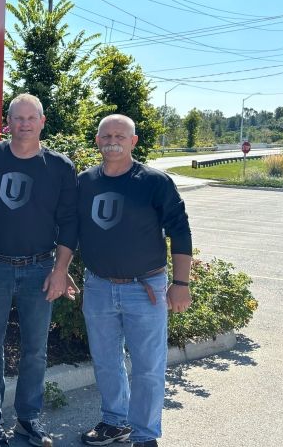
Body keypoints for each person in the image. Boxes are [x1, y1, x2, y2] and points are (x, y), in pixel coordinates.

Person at [0, 93, 78, 447]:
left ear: (42, 122)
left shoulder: (59, 166)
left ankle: (27, 419)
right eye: (17, 118)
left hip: (40, 269)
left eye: (31, 118)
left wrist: (60, 269)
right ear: (6, 122)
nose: (24, 125)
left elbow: (70, 223)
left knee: (35, 349)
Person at [77, 114, 192, 447]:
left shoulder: (155, 182)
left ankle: (144, 435)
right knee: (105, 360)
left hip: (147, 288)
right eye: (106, 135)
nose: (113, 140)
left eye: (120, 135)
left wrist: (181, 284)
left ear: (133, 141)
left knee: (148, 366)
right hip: (98, 285)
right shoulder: (85, 182)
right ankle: (115, 422)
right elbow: (70, 229)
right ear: (98, 141)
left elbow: (180, 231)